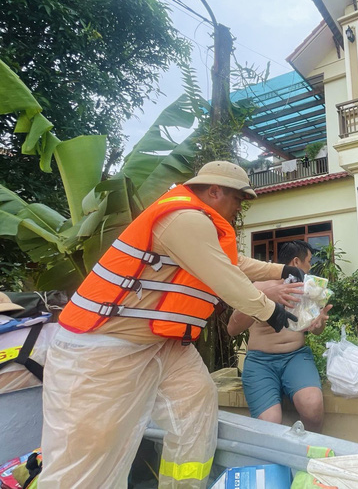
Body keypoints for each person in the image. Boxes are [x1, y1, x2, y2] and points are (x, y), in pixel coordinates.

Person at [39, 161, 302, 488]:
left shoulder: (199, 224)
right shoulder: (182, 218)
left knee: (195, 411)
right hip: (102, 348)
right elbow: (227, 278)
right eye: (237, 199)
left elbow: (231, 263)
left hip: (161, 344)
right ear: (215, 190)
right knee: (88, 458)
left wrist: (281, 272)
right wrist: (272, 312)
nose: (239, 207)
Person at [228, 240, 332, 432]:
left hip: (296, 357)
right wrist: (263, 296)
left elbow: (315, 330)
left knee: (313, 407)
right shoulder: (259, 286)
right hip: (261, 362)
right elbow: (232, 329)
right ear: (296, 262)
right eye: (308, 262)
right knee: (270, 424)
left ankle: (308, 454)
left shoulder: (307, 289)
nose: (310, 267)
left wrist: (319, 323)